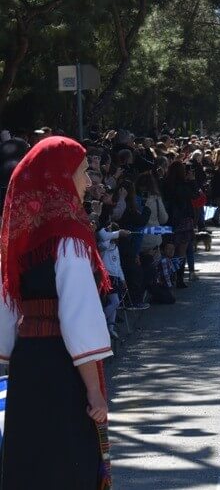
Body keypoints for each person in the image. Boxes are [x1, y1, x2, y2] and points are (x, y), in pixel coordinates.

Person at [0, 137, 114, 488]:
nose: (88, 181)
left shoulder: (17, 236)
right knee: (68, 461)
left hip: (27, 364)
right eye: (82, 172)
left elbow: (7, 307)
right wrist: (94, 391)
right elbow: (79, 318)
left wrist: (10, 356)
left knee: (31, 460)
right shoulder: (69, 236)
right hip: (61, 365)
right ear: (60, 177)